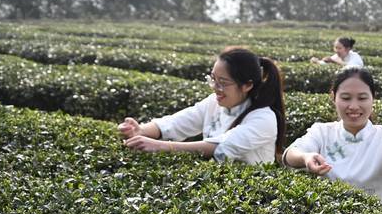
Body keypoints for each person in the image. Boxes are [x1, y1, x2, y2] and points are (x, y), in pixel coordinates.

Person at [118, 47, 286, 164]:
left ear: (247, 85)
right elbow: (177, 122)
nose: (215, 88)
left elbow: (222, 146)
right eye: (213, 79)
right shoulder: (214, 102)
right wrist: (142, 131)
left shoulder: (263, 118)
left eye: (223, 83)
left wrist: (161, 146)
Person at [283, 67, 382, 203]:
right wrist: (306, 157)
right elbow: (291, 153)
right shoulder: (322, 132)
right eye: (346, 98)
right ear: (333, 97)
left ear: (373, 98)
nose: (354, 106)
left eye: (362, 98)